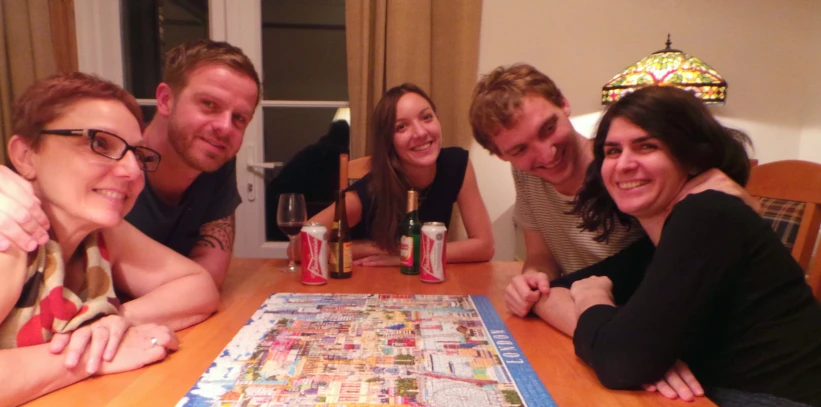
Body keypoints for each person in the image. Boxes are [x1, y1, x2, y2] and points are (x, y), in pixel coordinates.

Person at [549, 86, 821, 407]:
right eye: (612, 151)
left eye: (646, 147)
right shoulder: (662, 236)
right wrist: (614, 330)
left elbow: (621, 361)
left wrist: (593, 301)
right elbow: (558, 291)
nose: (624, 164)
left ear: (691, 157)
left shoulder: (706, 214)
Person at [0, 72, 220, 407]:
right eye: (99, 143)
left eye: (137, 153)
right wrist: (91, 356)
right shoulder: (3, 237)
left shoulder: (98, 234)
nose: (132, 170)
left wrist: (109, 326)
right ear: (25, 155)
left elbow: (198, 286)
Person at [0, 39, 261, 288]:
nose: (224, 127)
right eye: (208, 104)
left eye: (239, 118)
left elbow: (205, 281)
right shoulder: (90, 191)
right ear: (165, 100)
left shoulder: (214, 161)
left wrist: (113, 323)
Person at [468, 64, 755, 317]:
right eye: (520, 149)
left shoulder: (627, 172)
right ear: (502, 155)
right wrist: (534, 281)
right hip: (596, 313)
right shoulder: (525, 174)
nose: (545, 154)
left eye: (548, 128)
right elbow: (542, 255)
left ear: (564, 104)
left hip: (650, 316)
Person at [310, 83, 494, 265]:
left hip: (424, 283)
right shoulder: (368, 192)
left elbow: (484, 246)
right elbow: (299, 248)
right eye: (401, 127)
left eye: (427, 117)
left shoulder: (457, 163)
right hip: (371, 284)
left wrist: (406, 255)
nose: (421, 132)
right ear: (388, 142)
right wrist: (373, 248)